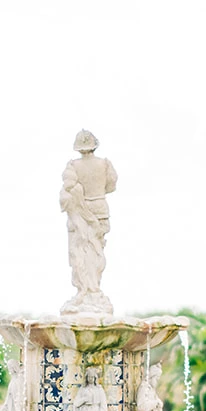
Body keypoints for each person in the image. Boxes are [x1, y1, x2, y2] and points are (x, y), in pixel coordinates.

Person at [60, 129, 117, 314]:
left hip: (80, 212)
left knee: (80, 251)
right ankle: (94, 289)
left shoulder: (73, 166)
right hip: (100, 209)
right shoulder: (105, 164)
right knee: (97, 250)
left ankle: (85, 290)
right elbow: (111, 185)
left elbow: (68, 186)